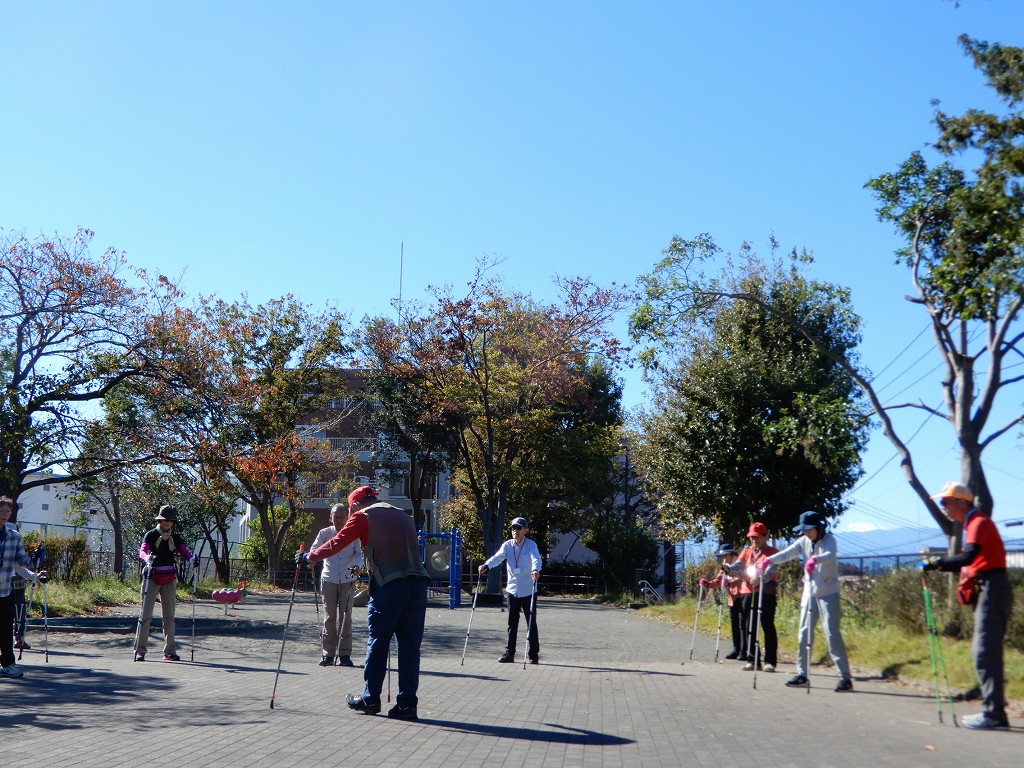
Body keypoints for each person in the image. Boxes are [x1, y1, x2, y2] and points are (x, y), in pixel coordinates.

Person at [301, 486, 428, 721]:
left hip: (390, 586)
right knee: (410, 648)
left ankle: (370, 699)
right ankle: (407, 704)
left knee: (378, 642)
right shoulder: (403, 515)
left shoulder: (363, 516)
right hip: (419, 586)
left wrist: (310, 557)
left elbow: (338, 542)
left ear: (354, 506)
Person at [921, 481, 1014, 730]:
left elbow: (969, 556)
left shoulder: (978, 522)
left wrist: (936, 564)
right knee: (986, 652)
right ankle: (995, 712)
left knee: (984, 652)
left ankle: (994, 714)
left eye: (946, 502)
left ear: (962, 501)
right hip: (989, 588)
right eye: (941, 503)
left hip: (992, 588)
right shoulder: (972, 523)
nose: (943, 507)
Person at [760, 510, 853, 692]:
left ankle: (845, 677)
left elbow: (830, 554)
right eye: (803, 530)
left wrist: (814, 560)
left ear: (818, 527)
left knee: (832, 634)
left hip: (828, 593)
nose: (805, 533)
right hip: (809, 592)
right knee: (804, 634)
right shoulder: (804, 541)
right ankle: (802, 674)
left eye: (808, 529)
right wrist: (769, 560)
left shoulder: (829, 540)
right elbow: (787, 554)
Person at [134, 505, 196, 662]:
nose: (168, 523)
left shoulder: (175, 537)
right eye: (165, 520)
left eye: (171, 520)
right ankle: (140, 650)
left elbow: (184, 551)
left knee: (169, 616)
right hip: (151, 577)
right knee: (146, 614)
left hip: (169, 578)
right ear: (160, 520)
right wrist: (146, 557)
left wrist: (191, 559)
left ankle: (170, 651)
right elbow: (142, 550)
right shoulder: (151, 534)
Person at [479, 516, 542, 664]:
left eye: (519, 528)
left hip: (528, 589)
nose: (516, 531)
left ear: (526, 530)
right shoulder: (507, 545)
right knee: (512, 624)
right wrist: (486, 565)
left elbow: (536, 559)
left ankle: (533, 655)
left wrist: (535, 570)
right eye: (514, 528)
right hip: (513, 589)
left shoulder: (531, 545)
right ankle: (510, 654)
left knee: (531, 622)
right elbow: (497, 557)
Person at [310, 502, 363, 667]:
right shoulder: (325, 533)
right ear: (331, 517)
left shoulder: (354, 534)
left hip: (348, 578)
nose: (339, 520)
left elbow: (359, 554)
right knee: (330, 617)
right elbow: (314, 550)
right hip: (329, 578)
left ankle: (345, 654)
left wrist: (358, 567)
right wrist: (310, 560)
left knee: (346, 618)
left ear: (347, 518)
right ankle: (328, 654)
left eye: (342, 517)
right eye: (336, 517)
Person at [1, 495, 47, 679]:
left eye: (7, 511)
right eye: (1, 510)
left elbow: (20, 559)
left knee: (5, 630)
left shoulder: (14, 536)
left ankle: (8, 665)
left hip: (5, 590)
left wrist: (34, 562)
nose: (5, 514)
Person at [725, 522, 778, 672]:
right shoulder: (747, 552)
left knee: (767, 625)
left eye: (757, 537)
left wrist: (761, 579)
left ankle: (770, 661)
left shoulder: (773, 552)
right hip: (748, 591)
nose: (754, 540)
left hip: (766, 592)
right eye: (752, 538)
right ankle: (752, 659)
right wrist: (728, 569)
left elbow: (770, 570)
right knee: (749, 626)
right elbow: (739, 566)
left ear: (765, 536)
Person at [700, 542, 743, 660]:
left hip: (742, 596)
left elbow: (741, 579)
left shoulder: (738, 562)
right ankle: (736, 649)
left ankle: (745, 651)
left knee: (743, 624)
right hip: (732, 598)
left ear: (730, 554)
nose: (722, 558)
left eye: (724, 555)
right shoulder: (725, 565)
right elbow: (719, 580)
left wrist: (730, 583)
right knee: (734, 624)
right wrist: (708, 584)